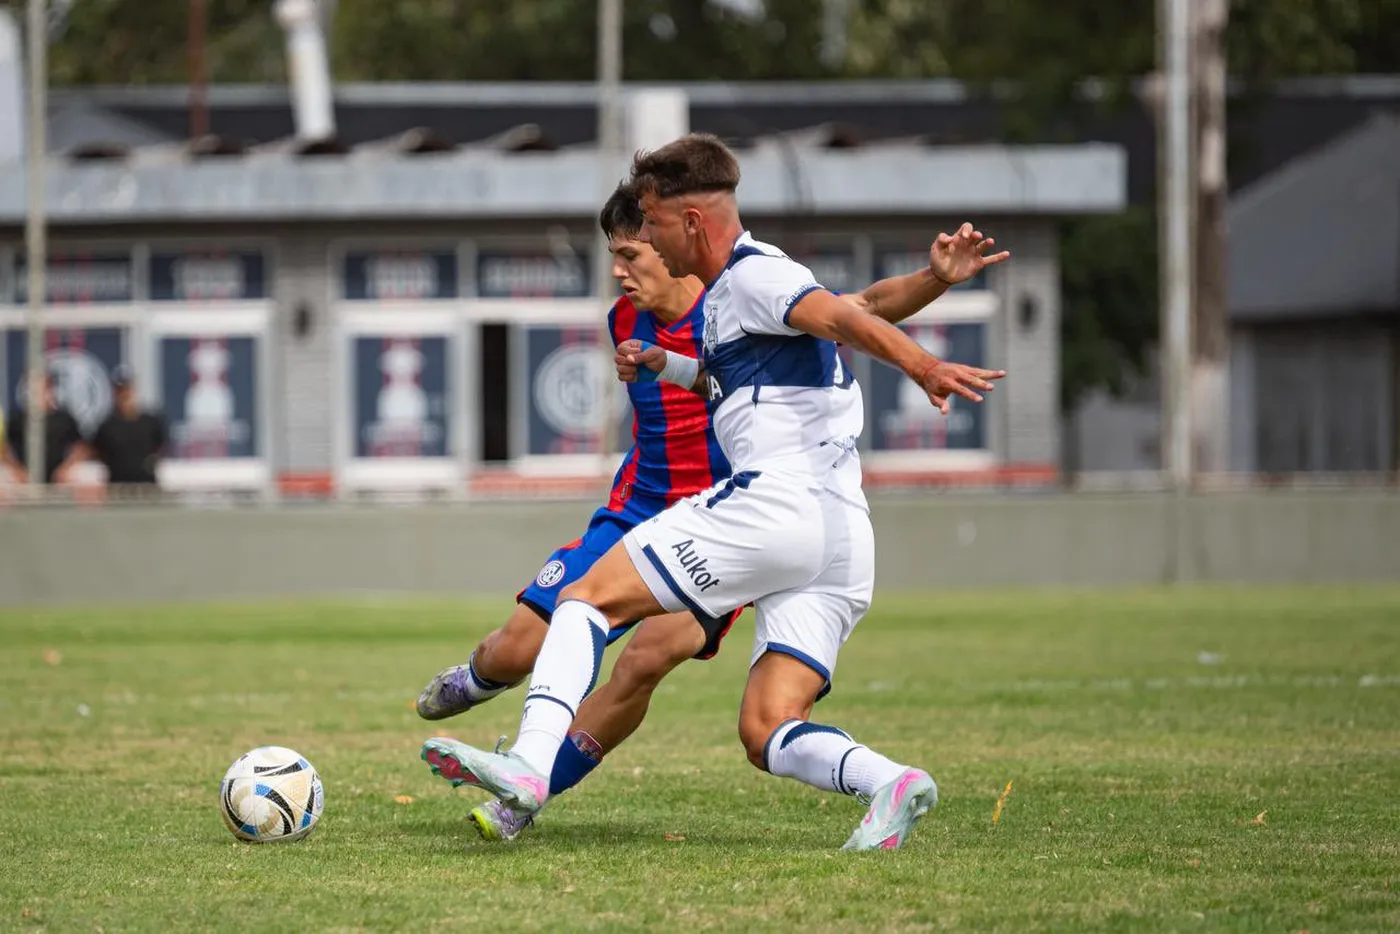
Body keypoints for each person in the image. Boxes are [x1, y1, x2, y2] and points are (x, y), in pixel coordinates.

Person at [421, 136, 1007, 852]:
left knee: (587, 601)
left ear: (690, 222)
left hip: (775, 504)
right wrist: (936, 279)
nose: (647, 247)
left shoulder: (751, 277)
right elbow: (859, 306)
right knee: (767, 728)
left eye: (653, 227)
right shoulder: (745, 295)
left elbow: (849, 320)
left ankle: (528, 769)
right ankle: (891, 782)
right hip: (841, 533)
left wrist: (924, 366)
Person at [89, 366, 167, 493]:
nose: (124, 395)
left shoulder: (150, 422)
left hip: (147, 487)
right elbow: (95, 451)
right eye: (120, 391)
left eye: (127, 390)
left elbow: (161, 446)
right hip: (117, 488)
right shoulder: (107, 426)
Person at [2, 370, 88, 485]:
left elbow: (81, 447)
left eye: (46, 388)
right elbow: (4, 448)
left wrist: (66, 467)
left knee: (86, 475)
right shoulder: (19, 418)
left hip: (60, 475)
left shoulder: (64, 418)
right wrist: (17, 469)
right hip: (23, 475)